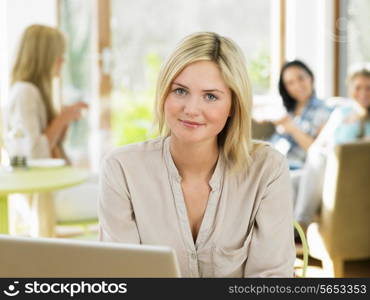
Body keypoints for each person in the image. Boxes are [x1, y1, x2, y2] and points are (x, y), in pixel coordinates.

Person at [98, 32, 295, 277]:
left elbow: (271, 277)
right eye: (180, 91)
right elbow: (122, 278)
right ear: (164, 93)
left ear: (234, 104)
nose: (191, 109)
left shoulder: (267, 170)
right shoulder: (122, 170)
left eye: (210, 96)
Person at [4, 24, 96, 235]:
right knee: (124, 195)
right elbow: (33, 155)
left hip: (55, 187)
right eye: (58, 55)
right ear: (44, 57)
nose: (62, 61)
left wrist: (62, 121)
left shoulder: (34, 92)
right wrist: (61, 120)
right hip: (49, 196)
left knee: (115, 184)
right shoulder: (25, 92)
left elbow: (48, 147)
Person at [294, 68, 370, 233]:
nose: (363, 93)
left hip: (353, 172)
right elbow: (319, 144)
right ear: (350, 89)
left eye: (368, 88)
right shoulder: (341, 113)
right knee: (293, 180)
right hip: (327, 168)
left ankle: (301, 224)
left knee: (318, 158)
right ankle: (283, 235)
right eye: (358, 87)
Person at [270, 60, 332, 170]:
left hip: (294, 168)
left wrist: (293, 129)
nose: (297, 86)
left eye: (301, 78)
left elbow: (318, 152)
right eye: (290, 83)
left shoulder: (325, 111)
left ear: (310, 78)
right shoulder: (289, 111)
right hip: (272, 161)